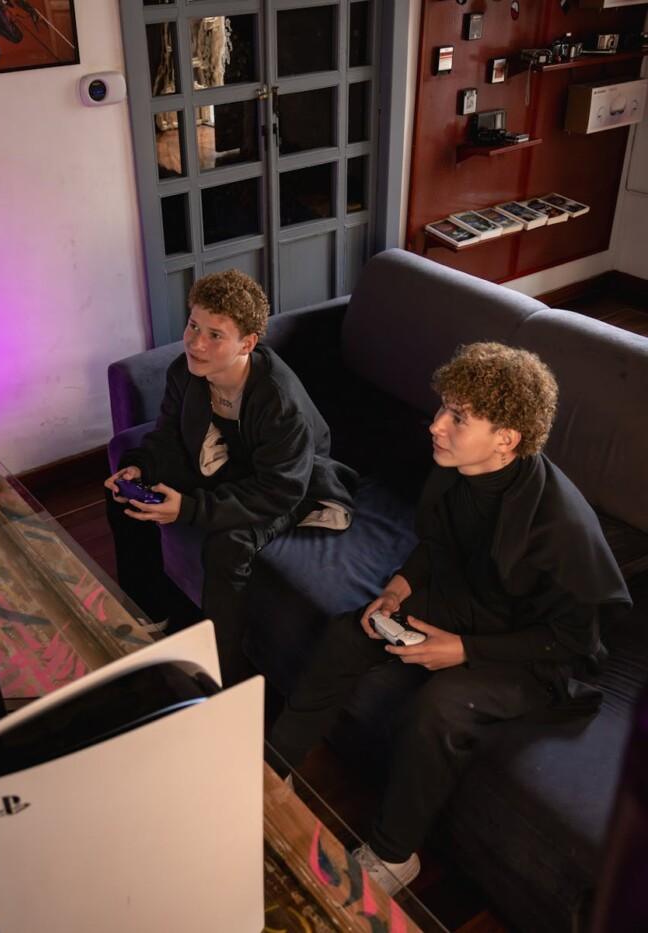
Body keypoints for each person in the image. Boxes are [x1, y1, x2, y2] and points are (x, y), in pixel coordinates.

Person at [269, 341, 631, 894]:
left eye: (458, 418)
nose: (436, 425)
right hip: (475, 600)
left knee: (442, 704)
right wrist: (397, 588)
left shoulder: (562, 529)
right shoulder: (455, 469)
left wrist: (464, 651)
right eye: (442, 408)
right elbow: (438, 545)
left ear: (506, 439)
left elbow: (573, 640)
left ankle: (394, 856)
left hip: (539, 650)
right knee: (351, 630)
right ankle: (272, 771)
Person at [105, 269, 357, 685]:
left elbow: (279, 490)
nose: (195, 342)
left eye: (215, 335)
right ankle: (150, 617)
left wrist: (188, 509)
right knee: (126, 498)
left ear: (248, 343)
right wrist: (141, 467)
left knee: (229, 547)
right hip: (228, 463)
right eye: (193, 325)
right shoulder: (184, 372)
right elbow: (167, 436)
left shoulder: (279, 402)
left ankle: (226, 677)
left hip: (290, 482)